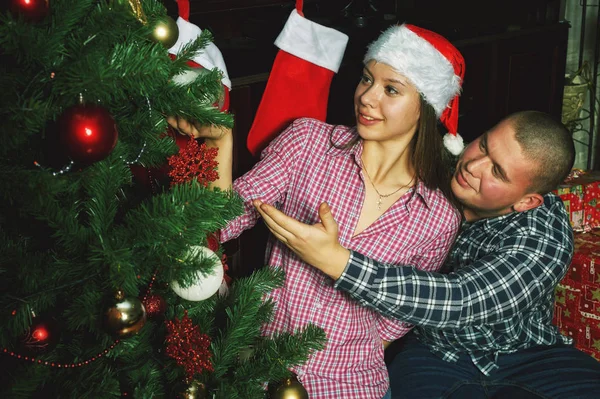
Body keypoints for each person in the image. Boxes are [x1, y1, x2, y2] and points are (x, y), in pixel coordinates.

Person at [169, 23, 467, 399]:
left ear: (426, 106)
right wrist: (221, 141)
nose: (367, 97)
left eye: (391, 89)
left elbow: (396, 320)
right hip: (259, 368)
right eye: (365, 79)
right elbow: (218, 224)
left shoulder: (438, 213)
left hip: (352, 382)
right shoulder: (308, 142)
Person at [253, 110, 600, 398]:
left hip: (528, 354)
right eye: (484, 145)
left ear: (526, 201)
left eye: (496, 172)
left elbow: (462, 299)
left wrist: (337, 262)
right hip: (434, 352)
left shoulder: (543, 235)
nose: (473, 165)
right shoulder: (435, 169)